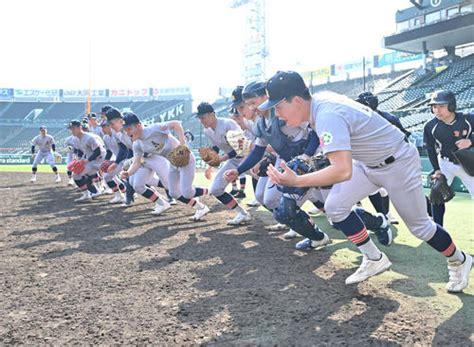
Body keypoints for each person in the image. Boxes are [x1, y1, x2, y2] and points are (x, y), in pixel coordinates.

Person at [262, 70, 471, 292]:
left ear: (296, 100)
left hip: (398, 162)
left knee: (420, 227)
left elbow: (342, 171)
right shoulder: (320, 104)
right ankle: (374, 258)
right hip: (368, 162)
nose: (277, 114)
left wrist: (297, 181)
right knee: (335, 207)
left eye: (278, 106)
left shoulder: (326, 114)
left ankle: (460, 259)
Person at [121, 112, 210, 221]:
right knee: (174, 193)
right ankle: (201, 208)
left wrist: (183, 145)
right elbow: (136, 163)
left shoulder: (154, 129)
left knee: (187, 192)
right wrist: (128, 173)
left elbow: (176, 124)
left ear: (139, 126)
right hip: (173, 163)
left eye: (129, 128)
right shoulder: (137, 144)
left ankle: (211, 190)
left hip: (185, 158)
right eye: (125, 129)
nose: (127, 132)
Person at [355, 91, 412, 225]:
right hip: (366, 159)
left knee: (394, 190)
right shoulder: (358, 119)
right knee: (372, 188)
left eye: (362, 103)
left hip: (389, 160)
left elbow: (404, 137)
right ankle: (383, 215)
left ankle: (386, 214)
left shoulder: (389, 118)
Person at [423, 90, 474, 226]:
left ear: (451, 106)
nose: (437, 110)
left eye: (441, 106)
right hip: (445, 163)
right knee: (437, 194)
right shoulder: (430, 126)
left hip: (469, 163)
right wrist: (436, 170)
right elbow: (430, 149)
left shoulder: (468, 119)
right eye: (434, 107)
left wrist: (471, 141)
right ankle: (438, 228)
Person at [196, 102, 252, 225]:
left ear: (212, 114)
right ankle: (243, 214)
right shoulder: (208, 131)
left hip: (249, 158)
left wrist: (223, 158)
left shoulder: (228, 123)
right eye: (199, 118)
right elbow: (216, 148)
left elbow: (241, 146)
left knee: (269, 190)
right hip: (234, 161)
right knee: (216, 189)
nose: (201, 120)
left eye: (203, 117)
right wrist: (210, 166)